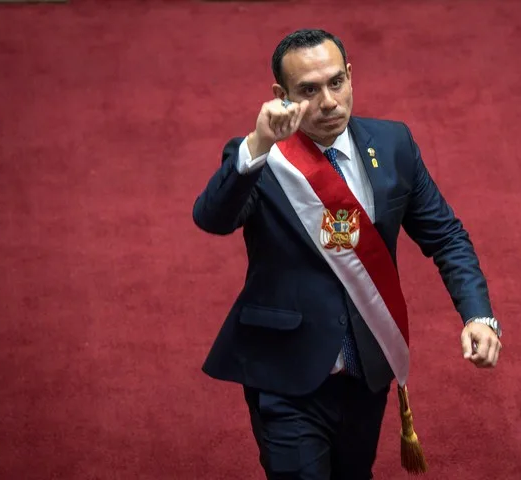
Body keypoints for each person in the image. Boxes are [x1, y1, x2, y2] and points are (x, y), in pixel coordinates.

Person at [192, 29, 503, 480]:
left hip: (366, 370)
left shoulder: (394, 144)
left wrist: (478, 315)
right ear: (281, 96)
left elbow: (446, 236)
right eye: (309, 90)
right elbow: (212, 218)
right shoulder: (263, 157)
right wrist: (257, 145)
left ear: (351, 76)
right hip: (286, 374)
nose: (329, 102)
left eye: (336, 82)